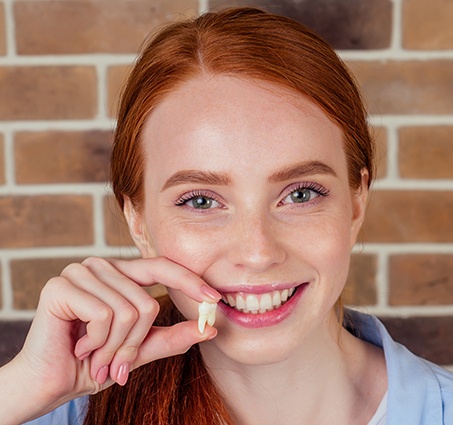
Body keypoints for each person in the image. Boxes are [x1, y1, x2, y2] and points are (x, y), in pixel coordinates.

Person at [1, 7, 452, 425]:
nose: (257, 253)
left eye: (300, 193)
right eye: (200, 201)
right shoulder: (56, 410)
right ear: (137, 220)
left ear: (357, 202)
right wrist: (23, 388)